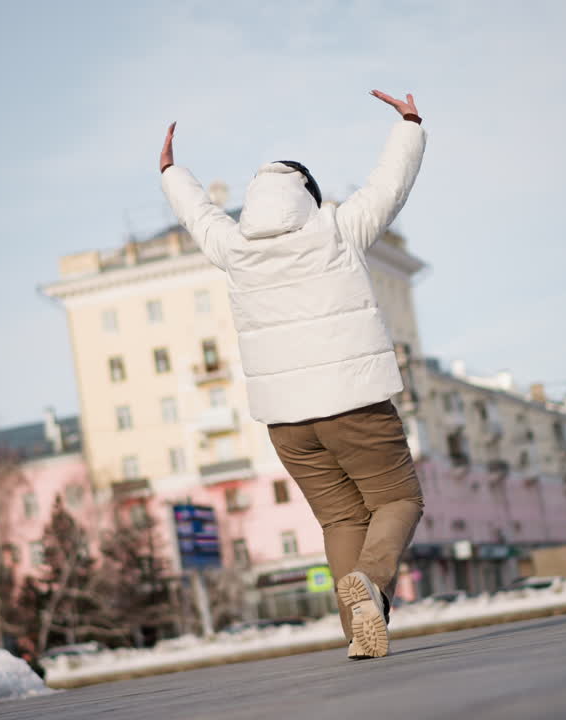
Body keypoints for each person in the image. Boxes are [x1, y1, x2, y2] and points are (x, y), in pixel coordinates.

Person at [159, 89, 426, 660]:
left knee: (338, 519)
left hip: (287, 423)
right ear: (310, 195)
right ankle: (373, 585)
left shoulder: (234, 247)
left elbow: (197, 214)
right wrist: (408, 124)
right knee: (398, 499)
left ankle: (359, 635)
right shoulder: (337, 230)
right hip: (354, 404)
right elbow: (389, 186)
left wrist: (172, 170)